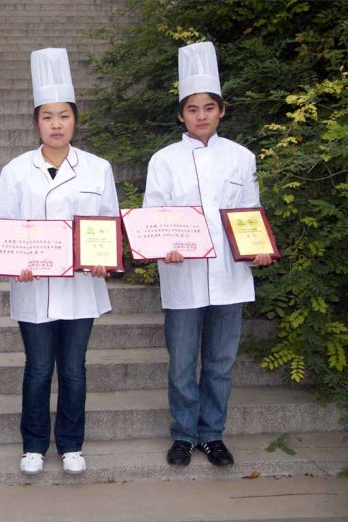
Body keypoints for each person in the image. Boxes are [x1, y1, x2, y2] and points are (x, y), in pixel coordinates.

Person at [143, 41, 274, 468]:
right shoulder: (163, 161)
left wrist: (258, 249)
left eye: (209, 108)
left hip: (230, 278)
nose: (201, 115)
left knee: (219, 364)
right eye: (192, 109)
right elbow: (152, 217)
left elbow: (251, 213)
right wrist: (164, 247)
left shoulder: (242, 158)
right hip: (182, 276)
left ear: (221, 111)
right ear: (181, 115)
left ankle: (212, 434)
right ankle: (183, 435)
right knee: (182, 365)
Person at [0, 48, 120, 476]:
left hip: (81, 287)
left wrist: (104, 259)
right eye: (47, 117)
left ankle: (70, 444)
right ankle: (33, 444)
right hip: (33, 286)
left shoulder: (98, 168)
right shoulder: (15, 170)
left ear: (75, 120)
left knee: (74, 369)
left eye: (64, 116)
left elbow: (109, 223)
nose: (56, 124)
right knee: (37, 369)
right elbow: (4, 229)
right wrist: (15, 262)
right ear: (36, 123)